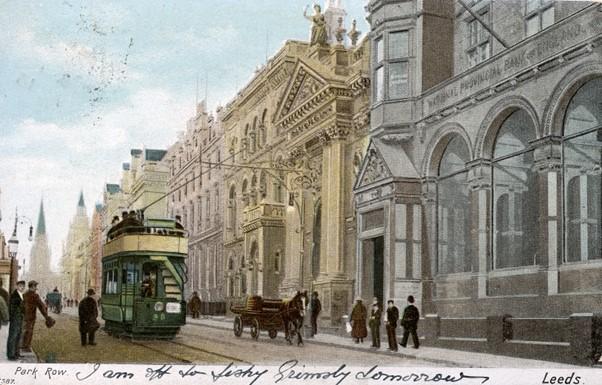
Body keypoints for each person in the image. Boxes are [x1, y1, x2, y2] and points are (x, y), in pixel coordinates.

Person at [22, 280, 53, 352]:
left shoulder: (24, 294)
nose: (36, 288)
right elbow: (41, 306)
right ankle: (26, 347)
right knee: (29, 331)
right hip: (31, 317)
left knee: (25, 330)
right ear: (32, 286)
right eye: (35, 286)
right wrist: (46, 316)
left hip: (24, 316)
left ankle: (23, 345)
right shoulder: (35, 296)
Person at [6, 281, 25, 360]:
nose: (22, 287)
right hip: (15, 318)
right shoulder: (14, 295)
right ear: (17, 286)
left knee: (18, 336)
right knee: (13, 336)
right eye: (20, 286)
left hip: (20, 318)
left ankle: (17, 353)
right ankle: (11, 355)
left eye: (23, 286)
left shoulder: (21, 295)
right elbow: (12, 308)